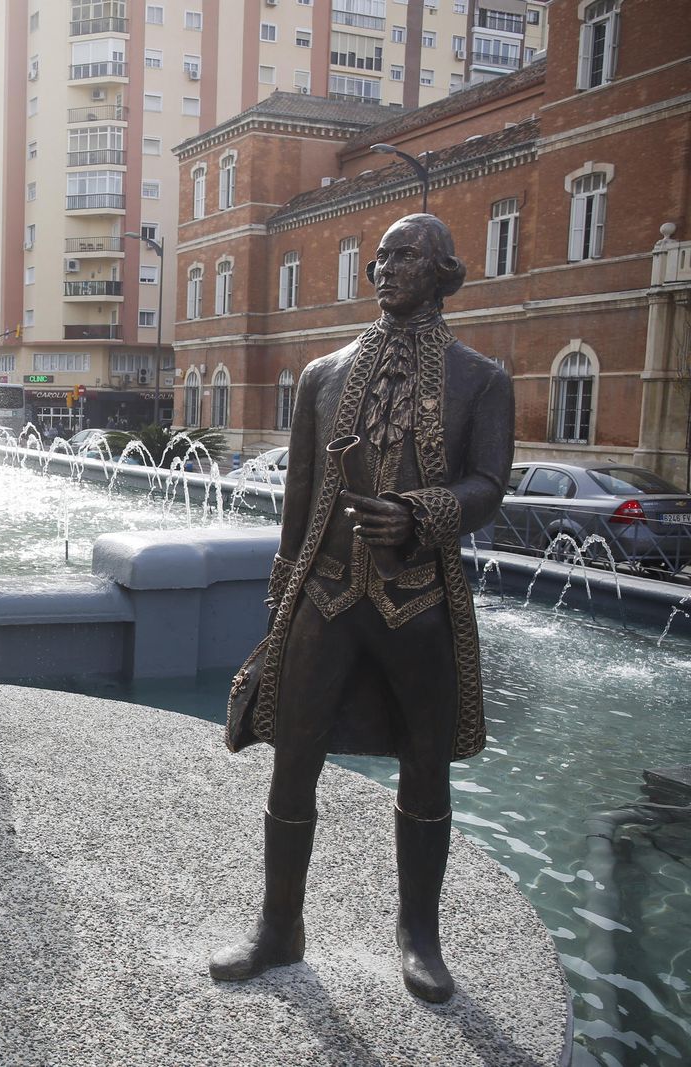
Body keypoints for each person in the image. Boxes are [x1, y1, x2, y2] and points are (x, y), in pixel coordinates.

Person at [211, 214, 513, 1003]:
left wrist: (424, 514)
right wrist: (282, 594)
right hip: (327, 594)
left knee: (426, 763)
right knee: (293, 753)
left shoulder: (482, 380)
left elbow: (489, 484)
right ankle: (279, 926)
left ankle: (420, 937)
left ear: (445, 271)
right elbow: (299, 496)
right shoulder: (322, 375)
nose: (384, 267)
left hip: (417, 600)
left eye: (404, 255)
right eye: (379, 256)